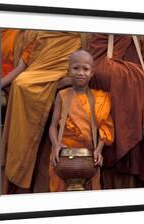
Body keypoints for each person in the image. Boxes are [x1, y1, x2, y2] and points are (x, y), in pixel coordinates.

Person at [0, 31, 82, 194]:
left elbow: (82, 68)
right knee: (21, 84)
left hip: (61, 94)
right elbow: (22, 67)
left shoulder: (78, 36)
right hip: (31, 86)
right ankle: (18, 167)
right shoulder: (35, 34)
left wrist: (67, 80)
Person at [87, 33, 144, 189]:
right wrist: (124, 74)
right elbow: (93, 71)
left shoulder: (141, 36)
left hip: (134, 106)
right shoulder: (98, 33)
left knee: (134, 157)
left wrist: (139, 77)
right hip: (109, 106)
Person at [48, 50, 114, 191]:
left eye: (85, 69)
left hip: (89, 158)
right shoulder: (62, 95)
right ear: (68, 70)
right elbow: (53, 126)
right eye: (76, 68)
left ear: (92, 73)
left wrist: (98, 150)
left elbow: (105, 129)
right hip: (62, 157)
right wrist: (55, 145)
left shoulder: (99, 99)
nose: (80, 73)